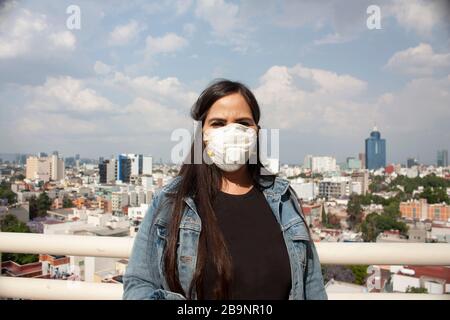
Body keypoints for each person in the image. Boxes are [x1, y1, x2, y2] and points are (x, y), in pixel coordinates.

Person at [123, 79, 327, 300]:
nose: (232, 133)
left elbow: (312, 286)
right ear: (202, 133)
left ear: (257, 132)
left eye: (243, 123)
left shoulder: (284, 200)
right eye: (218, 123)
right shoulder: (172, 202)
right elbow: (139, 284)